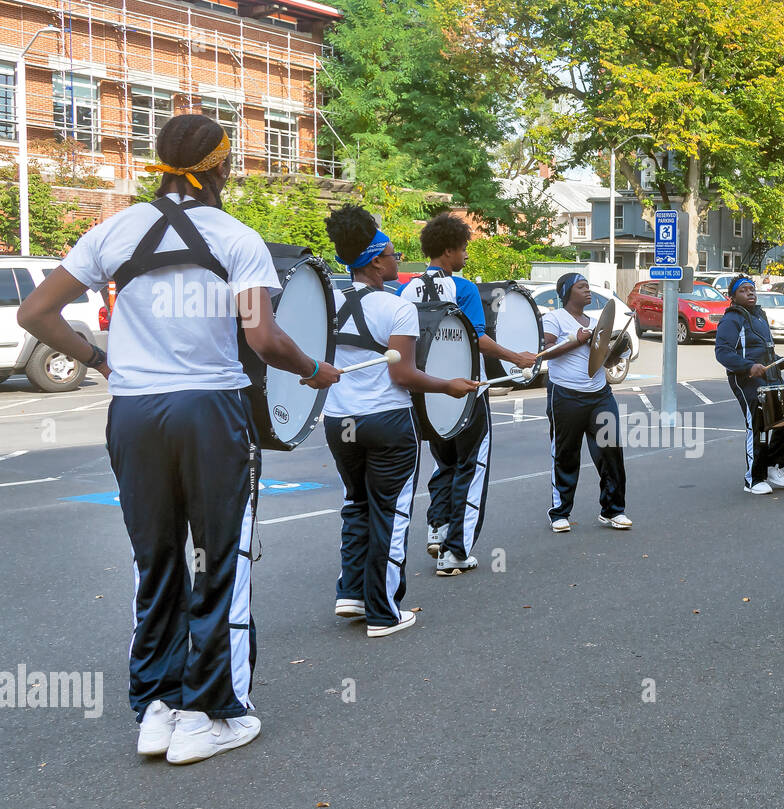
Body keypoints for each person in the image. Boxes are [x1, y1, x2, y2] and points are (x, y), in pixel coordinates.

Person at [16, 114, 341, 764]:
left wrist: (102, 361)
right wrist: (313, 369)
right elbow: (264, 340)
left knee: (155, 560)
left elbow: (33, 313)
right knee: (220, 560)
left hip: (135, 413)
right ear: (221, 166)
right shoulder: (237, 238)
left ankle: (157, 710)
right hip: (210, 413)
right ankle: (211, 715)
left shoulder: (115, 230)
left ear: (161, 164)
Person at [323, 205, 480, 637]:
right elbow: (403, 375)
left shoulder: (328, 301)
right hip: (388, 420)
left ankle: (351, 593)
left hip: (339, 421)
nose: (397, 261)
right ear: (375, 260)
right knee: (390, 513)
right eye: (392, 254)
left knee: (356, 504)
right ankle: (384, 612)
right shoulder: (395, 308)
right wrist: (447, 385)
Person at [399, 213, 537, 575]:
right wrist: (515, 356)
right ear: (448, 251)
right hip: (466, 389)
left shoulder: (407, 290)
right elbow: (479, 339)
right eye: (462, 248)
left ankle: (437, 528)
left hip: (427, 393)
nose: (465, 255)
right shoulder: (463, 289)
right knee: (471, 465)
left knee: (443, 461)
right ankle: (455, 551)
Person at [540, 273, 630, 532]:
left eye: (588, 286)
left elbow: (606, 361)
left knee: (610, 450)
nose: (588, 291)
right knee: (566, 454)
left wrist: (617, 349)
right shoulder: (554, 318)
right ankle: (560, 513)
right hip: (566, 395)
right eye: (581, 287)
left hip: (600, 393)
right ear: (567, 293)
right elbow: (544, 351)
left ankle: (613, 511)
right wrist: (575, 340)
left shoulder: (596, 322)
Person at [714, 275, 784, 495]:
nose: (750, 293)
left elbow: (765, 352)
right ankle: (753, 478)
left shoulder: (759, 316)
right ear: (733, 297)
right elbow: (723, 352)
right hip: (746, 380)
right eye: (743, 290)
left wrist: (783, 363)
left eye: (752, 289)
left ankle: (772, 465)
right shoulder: (732, 319)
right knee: (759, 423)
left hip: (770, 377)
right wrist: (747, 366)